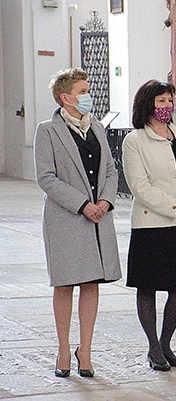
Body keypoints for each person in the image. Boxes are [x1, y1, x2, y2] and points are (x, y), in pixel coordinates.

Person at [34, 68, 122, 378]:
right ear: (65, 97)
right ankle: (62, 348)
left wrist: (104, 202)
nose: (88, 96)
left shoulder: (96, 127)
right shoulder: (47, 130)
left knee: (91, 283)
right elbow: (46, 177)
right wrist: (82, 204)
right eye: (83, 91)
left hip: (98, 217)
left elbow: (110, 170)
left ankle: (85, 350)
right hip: (66, 218)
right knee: (65, 283)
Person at [122, 80, 176, 371]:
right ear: (147, 104)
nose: (166, 106)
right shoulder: (135, 140)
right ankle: (153, 347)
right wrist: (175, 207)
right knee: (147, 287)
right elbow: (139, 186)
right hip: (152, 226)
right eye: (160, 101)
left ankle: (166, 343)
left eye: (169, 100)